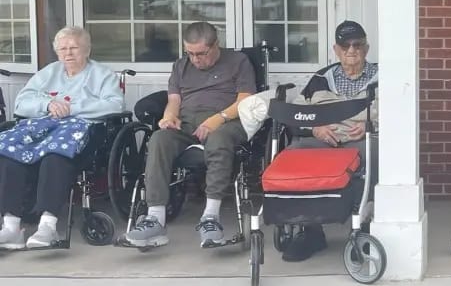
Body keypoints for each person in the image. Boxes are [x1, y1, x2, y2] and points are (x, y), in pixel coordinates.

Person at [122, 22, 256, 248]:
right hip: (187, 124)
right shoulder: (181, 66)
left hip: (227, 121)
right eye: (190, 53)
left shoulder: (237, 62)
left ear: (216, 46)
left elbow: (245, 99)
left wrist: (215, 121)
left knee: (219, 139)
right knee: (158, 139)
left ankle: (210, 217)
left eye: (201, 54)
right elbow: (174, 99)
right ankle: (155, 218)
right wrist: (169, 117)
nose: (195, 59)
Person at [0, 26, 123, 249]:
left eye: (74, 48)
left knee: (54, 155)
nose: (68, 53)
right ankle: (11, 227)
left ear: (87, 49)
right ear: (57, 52)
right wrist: (47, 104)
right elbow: (21, 102)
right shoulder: (49, 72)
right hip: (40, 127)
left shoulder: (102, 75)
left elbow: (114, 104)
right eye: (63, 49)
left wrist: (73, 108)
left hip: (79, 130)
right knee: (9, 152)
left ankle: (47, 226)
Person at [275, 20, 379, 262]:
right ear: (336, 49)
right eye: (345, 46)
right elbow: (299, 111)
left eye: (357, 45)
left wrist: (369, 126)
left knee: (373, 156)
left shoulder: (382, 77)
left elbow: (398, 113)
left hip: (362, 138)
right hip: (323, 139)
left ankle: (362, 228)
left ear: (366, 48)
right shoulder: (321, 78)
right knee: (295, 156)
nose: (351, 50)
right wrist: (315, 128)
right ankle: (310, 232)